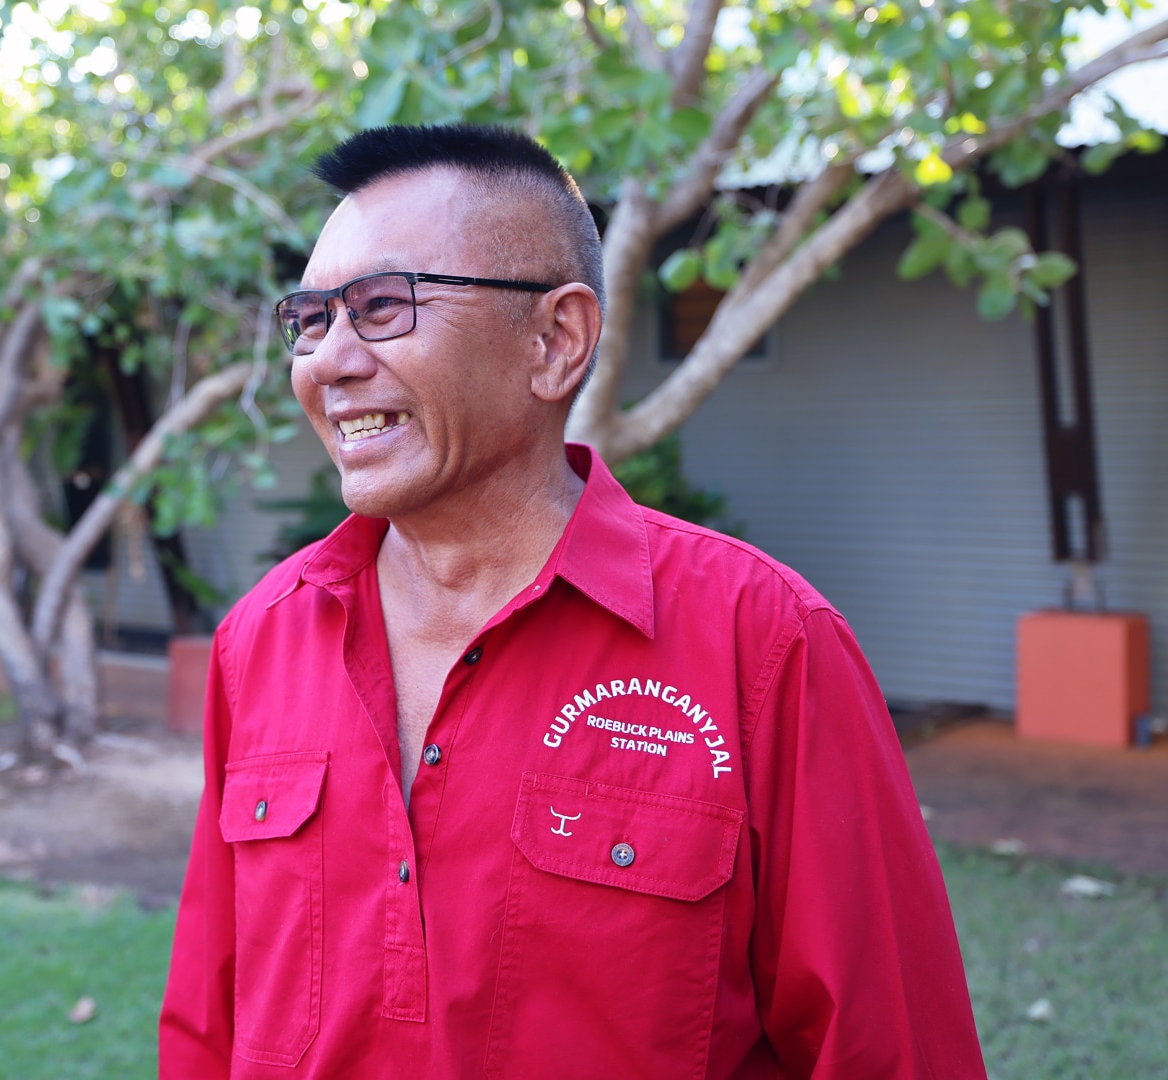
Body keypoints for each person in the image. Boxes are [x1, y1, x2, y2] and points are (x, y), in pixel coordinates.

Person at [159, 123, 986, 1079]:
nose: (327, 361)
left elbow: (888, 1050)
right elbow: (207, 1027)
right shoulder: (263, 638)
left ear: (556, 340)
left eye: (383, 306)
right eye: (312, 319)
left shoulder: (765, 644)